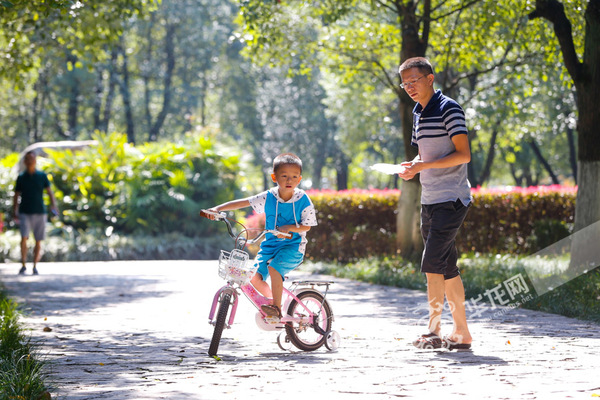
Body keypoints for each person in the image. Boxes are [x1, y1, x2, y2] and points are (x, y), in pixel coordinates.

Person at [396, 57, 473, 350]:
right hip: (430, 199)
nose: (409, 88)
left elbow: (463, 155)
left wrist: (422, 166)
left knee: (431, 264)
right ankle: (462, 333)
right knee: (446, 266)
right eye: (404, 83)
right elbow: (423, 155)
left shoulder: (449, 108)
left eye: (414, 81)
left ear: (430, 78)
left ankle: (433, 331)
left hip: (452, 198)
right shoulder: (418, 112)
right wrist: (411, 166)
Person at [206, 153, 318, 318]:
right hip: (270, 246)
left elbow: (307, 225)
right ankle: (274, 301)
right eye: (284, 176)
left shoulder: (302, 199)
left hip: (293, 247)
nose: (289, 180)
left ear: (299, 179)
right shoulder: (269, 197)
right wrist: (218, 209)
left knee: (274, 268)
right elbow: (244, 202)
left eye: (294, 177)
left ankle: (277, 308)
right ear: (274, 177)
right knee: (253, 276)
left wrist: (289, 227)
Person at [13, 151, 58, 275]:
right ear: (25, 161)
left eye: (31, 159)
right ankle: (23, 264)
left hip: (39, 211)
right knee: (24, 237)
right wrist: (14, 210)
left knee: (38, 240)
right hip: (24, 212)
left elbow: (50, 192)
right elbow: (16, 195)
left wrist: (53, 206)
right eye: (27, 159)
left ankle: (34, 266)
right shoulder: (21, 177)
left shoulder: (42, 176)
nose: (29, 161)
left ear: (35, 161)